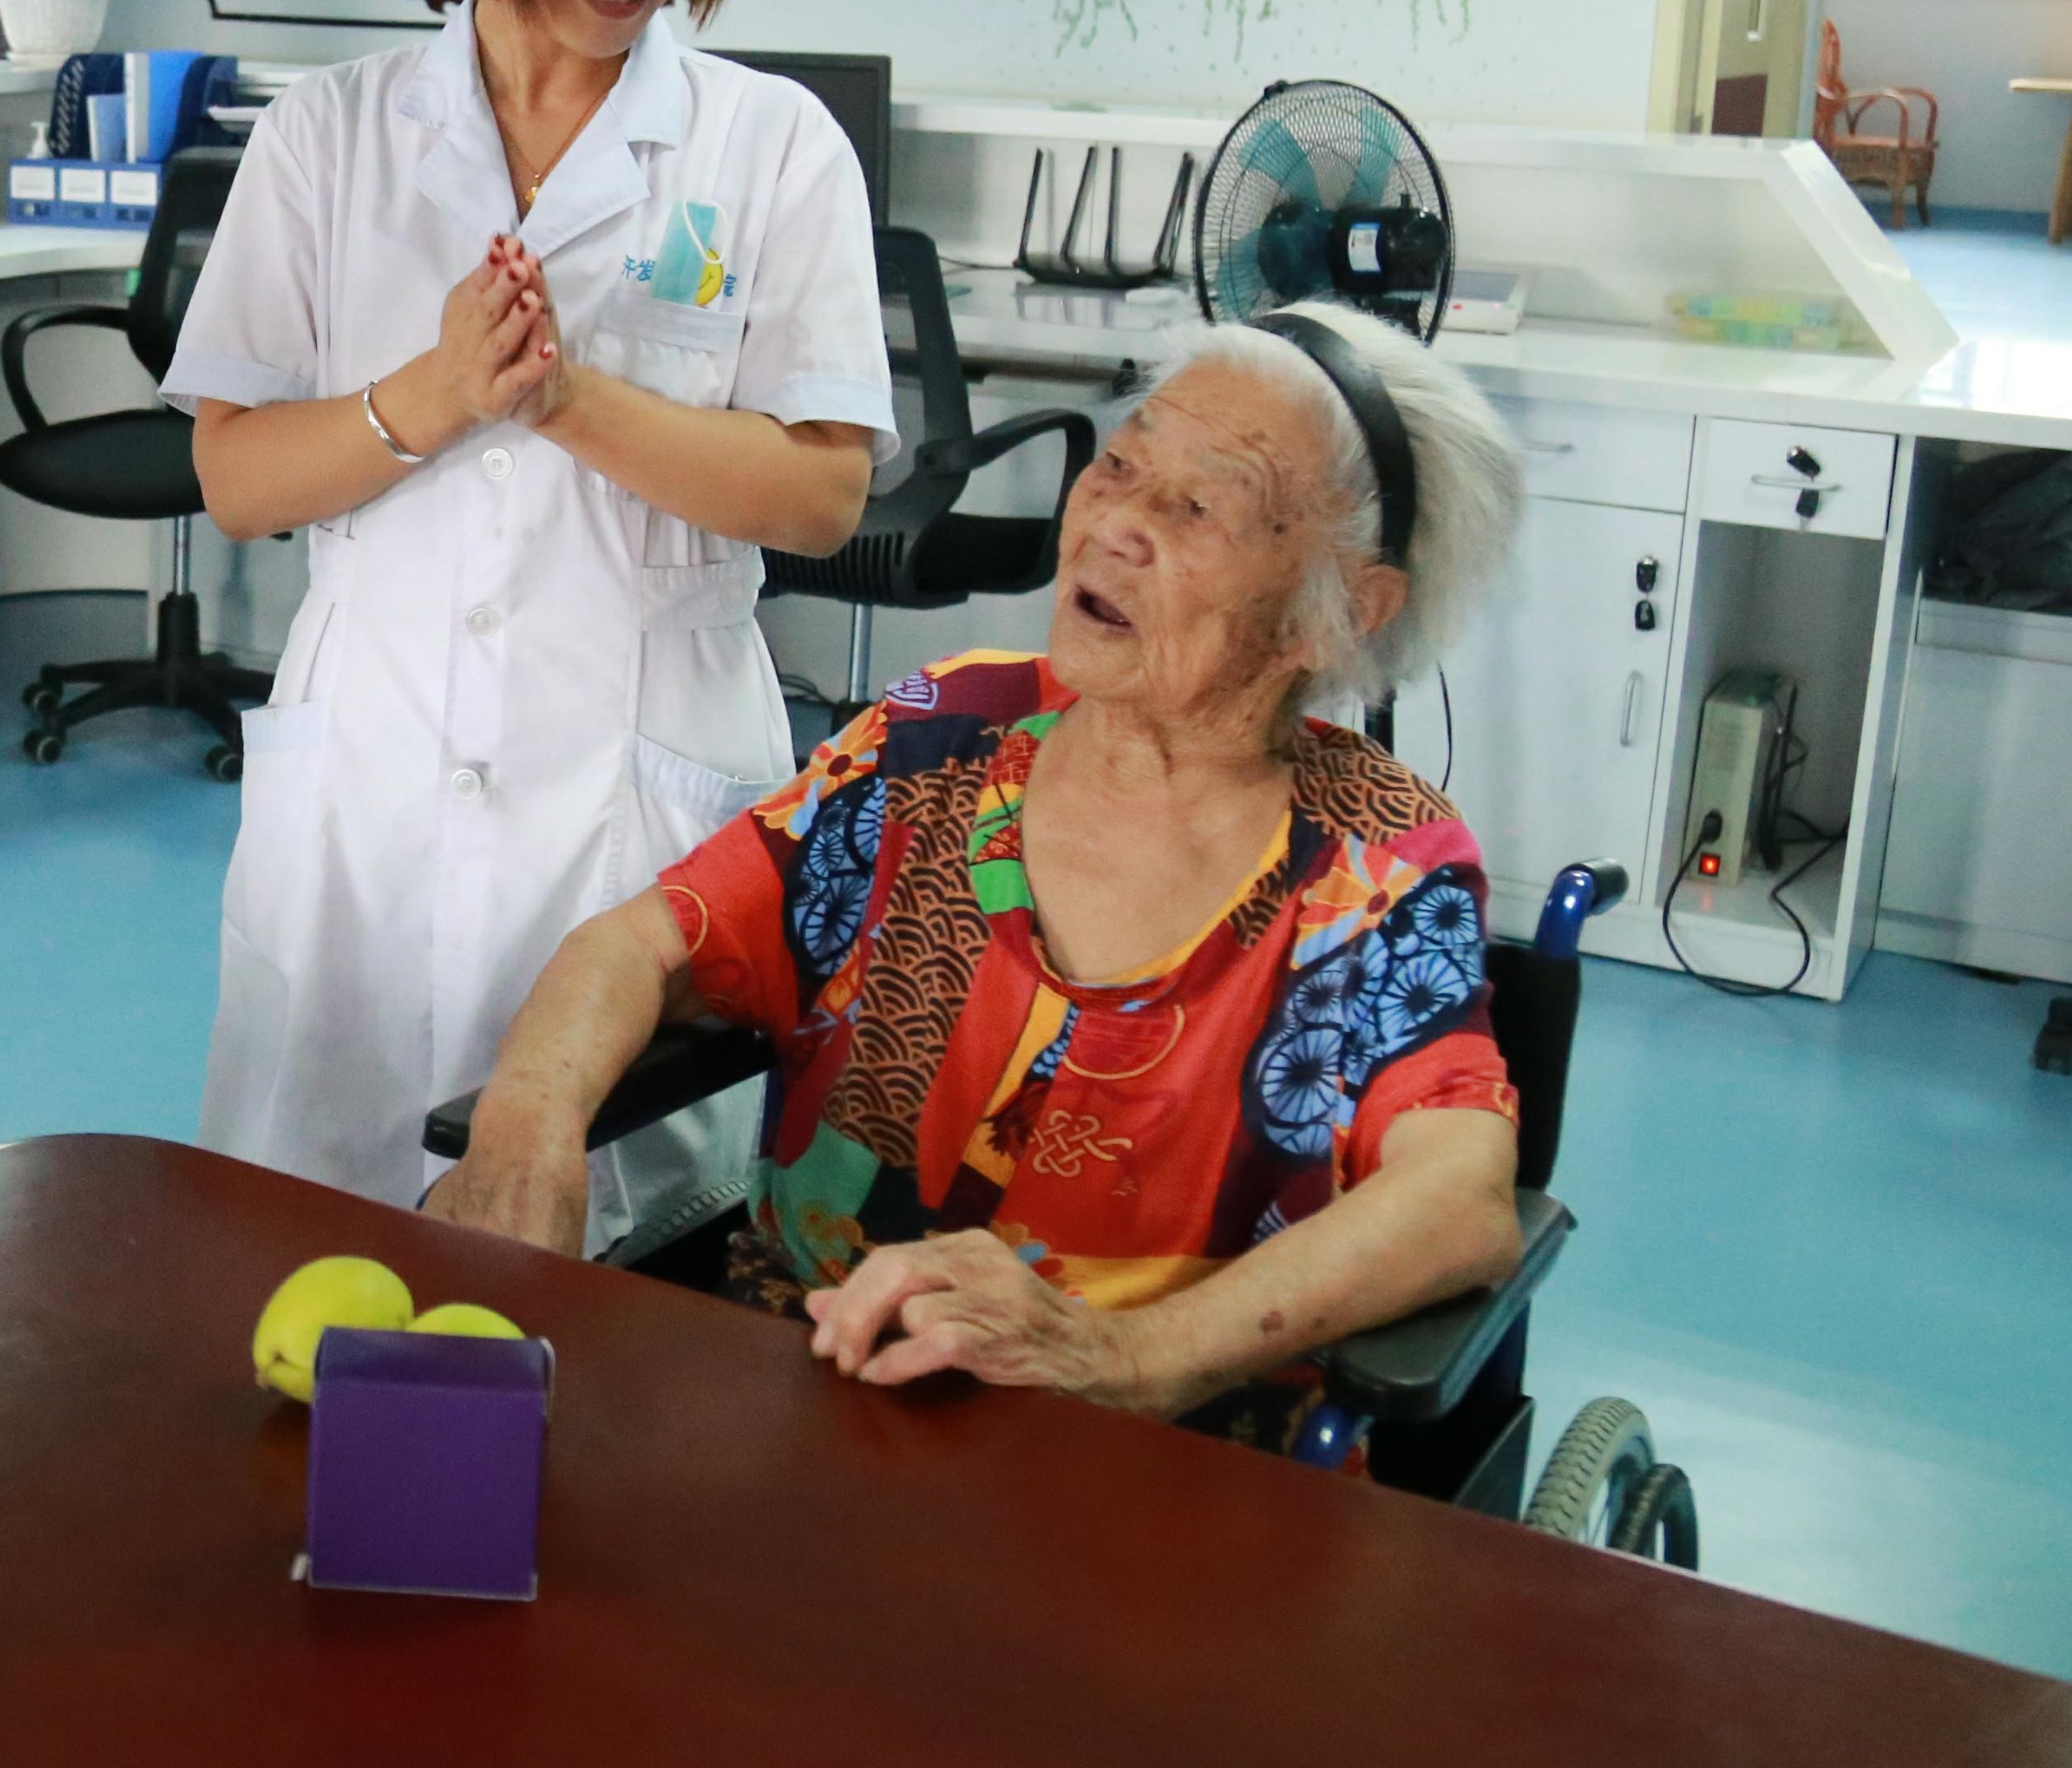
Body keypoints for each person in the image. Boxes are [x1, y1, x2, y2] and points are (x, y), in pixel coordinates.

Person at [431, 311, 1532, 1441]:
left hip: (1143, 1457)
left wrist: (1121, 1357)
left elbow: (1459, 1197)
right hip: (811, 1391)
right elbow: (643, 945)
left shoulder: (1379, 864)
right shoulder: (940, 738)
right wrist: (529, 1126)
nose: (1115, 524)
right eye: (1121, 466)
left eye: (1200, 508)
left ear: (1342, 613)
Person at [166, 0, 892, 1234]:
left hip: (632, 812)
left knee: (627, 1277)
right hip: (364, 791)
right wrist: (430, 398)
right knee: (315, 1253)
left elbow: (823, 493)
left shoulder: (771, 146)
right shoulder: (328, 138)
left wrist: (567, 400)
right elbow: (233, 476)